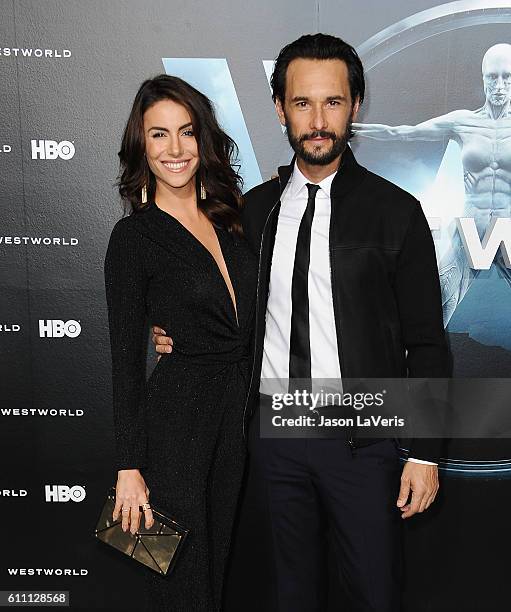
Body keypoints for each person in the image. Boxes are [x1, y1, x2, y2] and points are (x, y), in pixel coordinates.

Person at [151, 34, 452, 612]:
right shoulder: (250, 211)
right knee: (285, 596)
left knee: (375, 594)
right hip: (270, 441)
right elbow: (221, 309)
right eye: (302, 103)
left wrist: (424, 452)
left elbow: (427, 343)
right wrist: (174, 334)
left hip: (363, 438)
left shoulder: (397, 212)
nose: (318, 121)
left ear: (355, 106)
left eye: (332, 102)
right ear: (279, 108)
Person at [104, 74, 257, 612]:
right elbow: (125, 361)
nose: (175, 149)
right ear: (141, 146)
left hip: (238, 425)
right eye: (159, 135)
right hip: (175, 431)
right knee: (175, 581)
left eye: (187, 132)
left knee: (223, 576)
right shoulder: (134, 239)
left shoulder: (235, 219)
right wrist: (129, 468)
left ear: (204, 139)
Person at [353, 43, 511, 326]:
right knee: (432, 306)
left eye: (507, 77)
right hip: (471, 231)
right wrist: (345, 130)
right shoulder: (464, 121)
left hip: (508, 232)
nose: (499, 85)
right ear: (483, 78)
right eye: (492, 77)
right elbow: (401, 133)